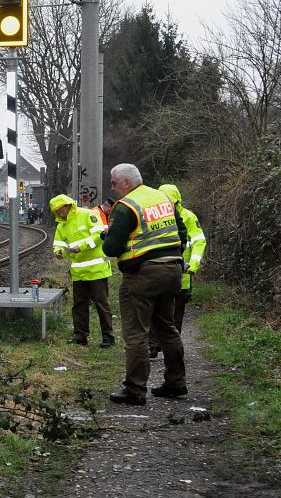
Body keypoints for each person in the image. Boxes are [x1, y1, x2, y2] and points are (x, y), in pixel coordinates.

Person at [101, 163, 188, 406]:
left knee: (136, 333)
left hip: (142, 275)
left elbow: (112, 248)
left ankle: (135, 389)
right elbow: (182, 233)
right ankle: (176, 382)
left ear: (127, 182)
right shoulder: (163, 198)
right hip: (171, 270)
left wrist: (107, 237)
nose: (112, 187)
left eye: (114, 182)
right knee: (166, 327)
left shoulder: (126, 206)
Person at [148, 184, 208, 357]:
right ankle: (153, 345)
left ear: (176, 201)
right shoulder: (154, 215)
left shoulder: (188, 217)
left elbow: (198, 241)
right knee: (155, 310)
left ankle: (172, 348)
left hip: (182, 275)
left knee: (176, 314)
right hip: (158, 272)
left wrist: (193, 265)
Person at [50, 194, 115, 348]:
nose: (60, 213)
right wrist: (59, 252)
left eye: (61, 209)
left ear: (68, 206)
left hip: (96, 269)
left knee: (101, 304)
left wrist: (82, 246)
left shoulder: (88, 214)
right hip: (78, 272)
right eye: (56, 211)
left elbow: (99, 236)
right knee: (79, 304)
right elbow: (58, 244)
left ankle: (108, 338)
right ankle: (80, 336)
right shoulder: (61, 225)